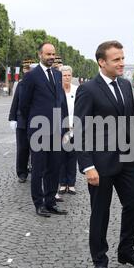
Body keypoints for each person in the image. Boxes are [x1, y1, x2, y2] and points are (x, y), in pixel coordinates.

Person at [74, 41, 134, 268]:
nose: (121, 63)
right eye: (116, 60)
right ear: (102, 62)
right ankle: (100, 261)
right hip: (100, 164)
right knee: (101, 214)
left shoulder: (126, 85)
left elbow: (132, 122)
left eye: (122, 58)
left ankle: (126, 251)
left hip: (128, 160)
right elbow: (80, 129)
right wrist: (87, 166)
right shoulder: (88, 90)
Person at [19, 43, 69, 218]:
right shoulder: (31, 76)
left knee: (54, 168)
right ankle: (38, 204)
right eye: (48, 54)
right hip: (38, 130)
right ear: (40, 54)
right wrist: (32, 124)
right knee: (38, 169)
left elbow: (61, 102)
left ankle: (50, 202)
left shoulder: (57, 74)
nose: (51, 57)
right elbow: (23, 104)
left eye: (53, 54)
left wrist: (64, 126)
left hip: (56, 131)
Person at [9, 59, 35, 183]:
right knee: (22, 148)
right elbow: (16, 101)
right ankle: (22, 172)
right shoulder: (21, 84)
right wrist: (12, 118)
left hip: (37, 121)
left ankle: (36, 170)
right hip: (22, 121)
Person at [58, 65, 79, 195]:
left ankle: (71, 183)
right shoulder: (56, 91)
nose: (66, 77)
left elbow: (80, 108)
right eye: (64, 75)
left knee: (72, 156)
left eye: (68, 75)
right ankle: (62, 183)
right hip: (60, 128)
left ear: (71, 76)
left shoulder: (77, 90)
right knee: (61, 157)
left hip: (74, 127)